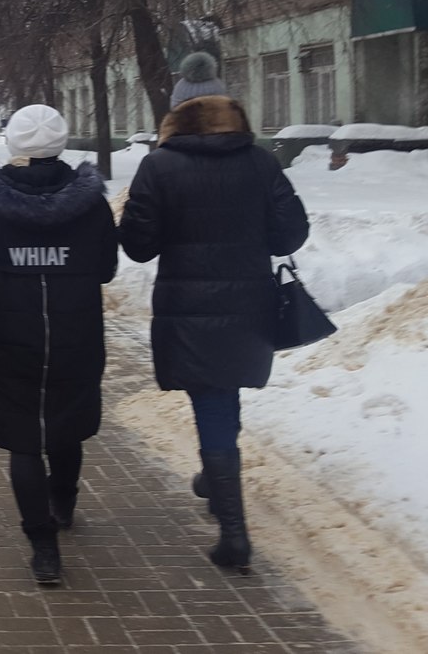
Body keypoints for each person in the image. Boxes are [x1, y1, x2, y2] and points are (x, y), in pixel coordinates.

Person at [119, 94, 308, 573]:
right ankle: (213, 476)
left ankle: (234, 533)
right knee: (224, 392)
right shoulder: (261, 163)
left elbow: (139, 247)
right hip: (250, 303)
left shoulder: (158, 166)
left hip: (189, 307)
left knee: (212, 399)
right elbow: (290, 235)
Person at [0, 104, 119, 584]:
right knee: (65, 425)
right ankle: (63, 503)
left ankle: (43, 549)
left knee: (24, 441)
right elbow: (107, 267)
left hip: (8, 341)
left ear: (12, 142)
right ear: (62, 143)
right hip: (76, 337)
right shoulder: (91, 201)